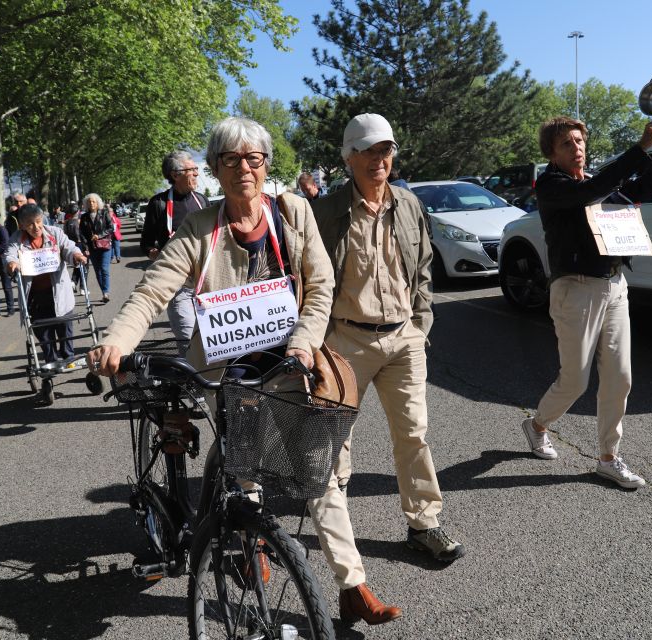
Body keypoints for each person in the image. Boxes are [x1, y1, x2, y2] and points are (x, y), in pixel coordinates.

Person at [87, 117, 399, 628]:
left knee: (316, 472)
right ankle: (249, 538)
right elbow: (152, 291)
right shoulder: (199, 229)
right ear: (214, 169)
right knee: (243, 463)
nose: (244, 169)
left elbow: (320, 288)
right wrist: (117, 343)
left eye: (254, 159)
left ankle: (352, 583)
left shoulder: (292, 213)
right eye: (231, 160)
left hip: (287, 360)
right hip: (223, 364)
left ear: (266, 166)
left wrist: (302, 345)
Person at [310, 113, 464, 623]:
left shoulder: (409, 203)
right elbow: (307, 275)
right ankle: (344, 555)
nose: (381, 161)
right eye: (371, 152)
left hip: (402, 338)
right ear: (349, 158)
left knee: (414, 434)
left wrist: (420, 323)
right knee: (336, 450)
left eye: (387, 151)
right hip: (344, 340)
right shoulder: (326, 209)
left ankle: (423, 524)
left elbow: (421, 267)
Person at [522, 115, 652, 489]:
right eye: (566, 144)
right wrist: (640, 148)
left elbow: (642, 189)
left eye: (579, 141)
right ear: (552, 153)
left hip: (614, 286)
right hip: (575, 290)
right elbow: (585, 196)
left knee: (620, 376)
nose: (576, 148)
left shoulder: (595, 182)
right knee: (575, 381)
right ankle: (537, 424)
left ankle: (609, 457)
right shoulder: (551, 186)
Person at [140, 150, 210, 352]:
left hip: (206, 283)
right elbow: (146, 244)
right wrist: (160, 257)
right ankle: (192, 382)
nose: (197, 174)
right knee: (188, 342)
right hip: (178, 286)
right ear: (175, 174)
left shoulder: (202, 201)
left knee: (212, 341)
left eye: (196, 169)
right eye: (192, 170)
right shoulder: (159, 203)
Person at [5, 204, 88, 364]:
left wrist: (76, 254)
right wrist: (12, 264)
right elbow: (10, 254)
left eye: (38, 221)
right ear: (22, 225)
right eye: (30, 223)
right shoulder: (16, 239)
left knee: (65, 327)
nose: (35, 227)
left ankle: (68, 355)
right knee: (43, 333)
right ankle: (51, 361)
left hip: (58, 290)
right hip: (35, 296)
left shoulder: (54, 233)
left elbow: (68, 247)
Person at [79, 193, 114, 303]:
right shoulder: (84, 217)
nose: (91, 203)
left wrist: (99, 235)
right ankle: (104, 292)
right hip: (92, 247)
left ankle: (106, 292)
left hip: (104, 246)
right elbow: (82, 234)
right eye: (89, 202)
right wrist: (85, 248)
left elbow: (111, 228)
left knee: (104, 269)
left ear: (97, 202)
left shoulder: (104, 213)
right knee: (97, 271)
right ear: (86, 204)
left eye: (93, 201)